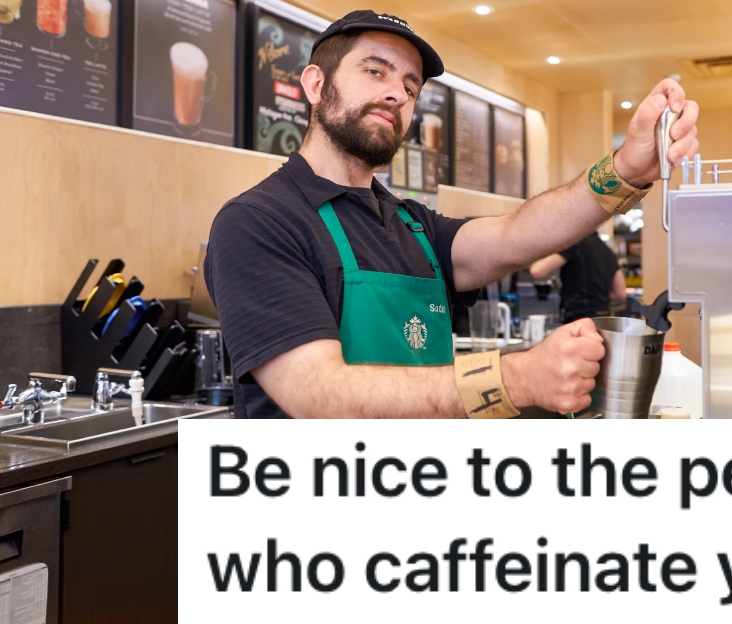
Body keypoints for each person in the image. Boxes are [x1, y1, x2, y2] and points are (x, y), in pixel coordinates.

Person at [205, 10, 699, 419]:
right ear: (315, 84)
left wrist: (626, 170)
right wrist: (515, 377)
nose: (398, 94)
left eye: (410, 86)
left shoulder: (413, 225)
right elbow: (317, 393)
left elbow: (517, 235)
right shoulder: (258, 221)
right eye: (375, 71)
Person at [529, 232, 626, 323]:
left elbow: (537, 271)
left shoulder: (575, 244)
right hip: (604, 320)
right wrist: (598, 295)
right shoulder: (607, 251)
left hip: (580, 320)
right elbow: (620, 294)